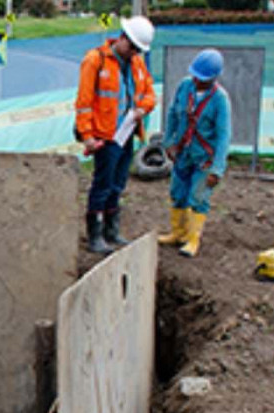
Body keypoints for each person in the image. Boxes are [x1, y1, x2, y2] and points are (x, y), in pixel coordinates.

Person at [74, 16, 157, 253]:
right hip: (104, 136)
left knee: (118, 184)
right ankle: (95, 234)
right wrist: (87, 135)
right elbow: (84, 102)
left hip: (127, 133)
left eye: (138, 50)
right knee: (103, 184)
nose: (134, 53)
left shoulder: (137, 65)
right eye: (132, 47)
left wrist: (143, 108)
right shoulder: (95, 61)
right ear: (122, 38)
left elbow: (150, 93)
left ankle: (112, 230)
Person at [158, 48, 232, 258]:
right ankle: (177, 233)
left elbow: (224, 135)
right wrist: (169, 142)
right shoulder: (184, 87)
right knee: (178, 192)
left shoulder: (220, 100)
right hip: (183, 152)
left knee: (197, 197)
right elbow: (173, 113)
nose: (197, 81)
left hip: (204, 159)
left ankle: (192, 239)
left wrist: (217, 169)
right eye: (195, 76)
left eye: (202, 78)